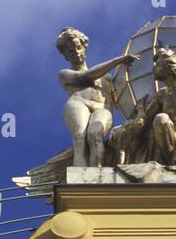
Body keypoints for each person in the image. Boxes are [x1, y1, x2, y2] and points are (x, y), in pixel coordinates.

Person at [56, 28, 138, 167]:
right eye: (70, 50)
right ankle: (80, 179)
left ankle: (97, 175)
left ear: (84, 46)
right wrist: (118, 61)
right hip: (78, 103)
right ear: (65, 55)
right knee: (80, 139)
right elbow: (87, 76)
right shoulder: (64, 74)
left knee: (95, 135)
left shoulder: (107, 79)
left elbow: (125, 96)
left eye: (78, 47)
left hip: (102, 109)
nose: (76, 52)